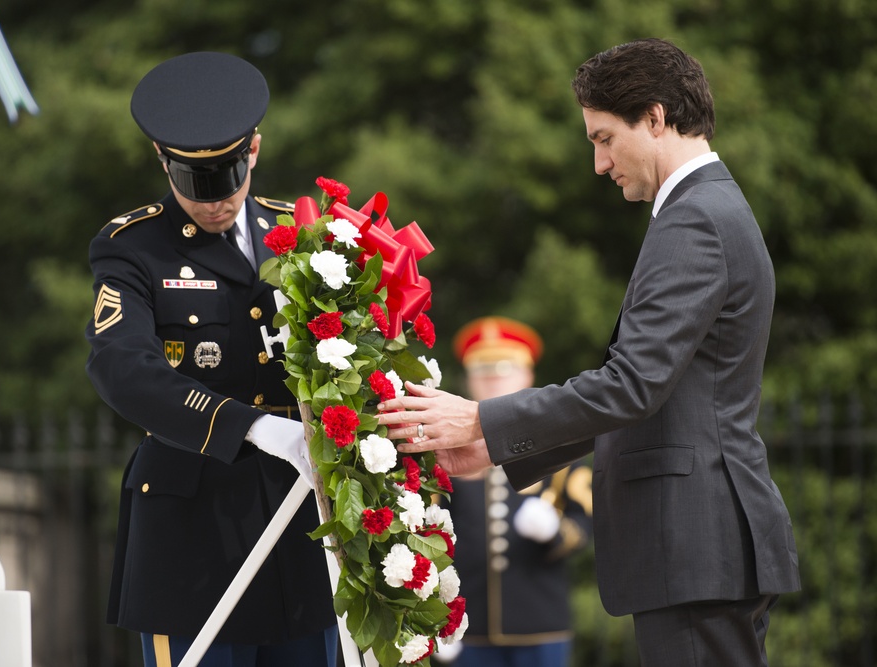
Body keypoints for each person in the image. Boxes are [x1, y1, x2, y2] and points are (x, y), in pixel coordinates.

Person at [378, 38, 800, 667]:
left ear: (655, 118)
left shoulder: (694, 220)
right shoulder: (708, 210)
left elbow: (631, 385)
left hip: (695, 544)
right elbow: (649, 394)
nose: (600, 164)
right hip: (702, 546)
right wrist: (494, 446)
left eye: (604, 138)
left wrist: (481, 419)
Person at [84, 52, 336, 667]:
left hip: (300, 523)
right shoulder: (134, 247)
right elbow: (123, 368)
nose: (213, 203)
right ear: (161, 162)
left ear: (253, 149)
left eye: (226, 180)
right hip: (191, 538)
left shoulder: (304, 234)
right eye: (192, 185)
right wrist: (251, 425)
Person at [435, 316, 592, 667]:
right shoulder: (446, 451)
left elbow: (585, 527)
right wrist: (434, 618)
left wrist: (556, 531)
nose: (493, 378)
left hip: (539, 624)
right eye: (483, 369)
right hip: (467, 627)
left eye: (504, 369)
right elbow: (429, 533)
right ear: (469, 378)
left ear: (528, 376)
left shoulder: (561, 449)